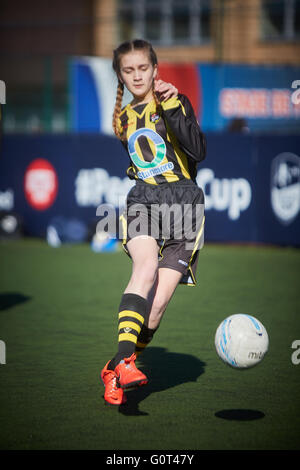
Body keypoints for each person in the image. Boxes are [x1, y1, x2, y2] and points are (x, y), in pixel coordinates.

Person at [101, 39, 206, 405]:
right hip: (144, 202)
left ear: (155, 69)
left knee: (157, 309)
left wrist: (174, 104)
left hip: (185, 208)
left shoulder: (175, 101)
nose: (136, 76)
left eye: (142, 68)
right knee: (144, 269)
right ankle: (126, 364)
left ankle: (116, 367)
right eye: (128, 71)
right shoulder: (123, 118)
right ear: (120, 75)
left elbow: (198, 151)